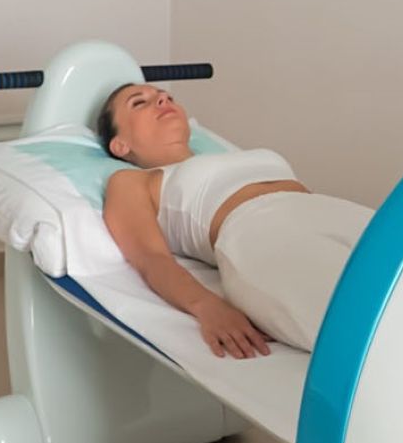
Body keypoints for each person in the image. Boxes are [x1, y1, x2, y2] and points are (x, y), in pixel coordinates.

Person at [97, 82, 374, 359]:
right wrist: (206, 306)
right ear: (120, 145)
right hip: (257, 234)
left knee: (400, 277)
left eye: (166, 96)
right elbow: (150, 257)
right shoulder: (132, 181)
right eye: (139, 102)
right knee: (360, 324)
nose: (163, 100)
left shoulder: (232, 157)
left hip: (326, 209)